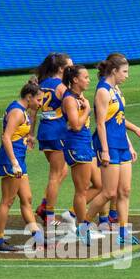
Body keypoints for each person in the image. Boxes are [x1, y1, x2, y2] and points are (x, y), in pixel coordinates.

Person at [82, 54, 140, 247]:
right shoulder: (103, 91)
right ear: (114, 71)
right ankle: (84, 225)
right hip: (108, 145)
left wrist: (130, 141)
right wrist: (104, 151)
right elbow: (101, 123)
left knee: (125, 191)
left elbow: (118, 117)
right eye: (124, 71)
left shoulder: (116, 89)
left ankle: (123, 233)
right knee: (109, 192)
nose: (127, 75)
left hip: (120, 143)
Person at [0, 80, 45, 253]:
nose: (40, 104)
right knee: (7, 200)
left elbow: (17, 133)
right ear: (29, 97)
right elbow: (6, 137)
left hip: (19, 159)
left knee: (27, 198)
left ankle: (37, 236)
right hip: (11, 160)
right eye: (38, 100)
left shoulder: (23, 110)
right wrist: (14, 162)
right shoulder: (17, 111)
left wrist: (28, 137)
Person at [60, 63, 104, 245]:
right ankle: (82, 227)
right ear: (75, 80)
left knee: (100, 185)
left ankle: (72, 214)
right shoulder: (70, 99)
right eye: (85, 77)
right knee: (82, 190)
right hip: (76, 146)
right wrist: (87, 110)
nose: (88, 80)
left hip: (86, 144)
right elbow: (76, 125)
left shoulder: (79, 96)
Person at [33, 52, 73, 226]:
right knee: (55, 175)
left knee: (62, 171)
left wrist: (31, 134)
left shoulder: (41, 84)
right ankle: (49, 215)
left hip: (45, 130)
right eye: (70, 67)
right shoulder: (61, 88)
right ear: (61, 69)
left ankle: (44, 205)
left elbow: (33, 111)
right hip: (58, 131)